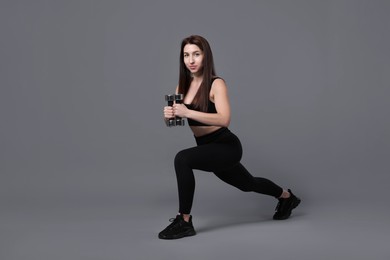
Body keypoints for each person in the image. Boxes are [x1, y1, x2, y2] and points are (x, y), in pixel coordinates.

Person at [159, 35, 301, 240]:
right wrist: (168, 116)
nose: (191, 60)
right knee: (248, 184)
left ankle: (184, 221)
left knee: (182, 159)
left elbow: (224, 119)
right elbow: (175, 122)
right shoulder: (181, 88)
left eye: (196, 54)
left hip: (226, 146)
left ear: (206, 56)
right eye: (186, 55)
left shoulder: (216, 84)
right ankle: (287, 197)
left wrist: (187, 112)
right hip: (208, 148)